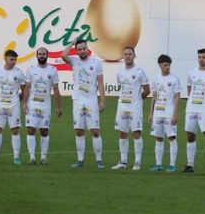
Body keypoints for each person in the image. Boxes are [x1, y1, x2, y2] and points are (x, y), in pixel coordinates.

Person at [61, 38, 106, 169]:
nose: (82, 51)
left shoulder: (96, 62)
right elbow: (63, 55)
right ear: (76, 51)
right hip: (78, 100)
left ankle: (99, 160)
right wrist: (72, 43)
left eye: (84, 48)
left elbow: (100, 83)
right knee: (79, 131)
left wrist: (102, 100)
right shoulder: (74, 61)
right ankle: (80, 160)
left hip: (91, 101)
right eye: (79, 49)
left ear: (87, 48)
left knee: (95, 131)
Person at [111, 47, 150, 171]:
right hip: (122, 106)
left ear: (134, 56)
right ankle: (123, 162)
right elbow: (121, 87)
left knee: (136, 133)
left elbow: (147, 90)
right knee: (122, 133)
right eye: (125, 54)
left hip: (135, 107)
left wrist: (138, 100)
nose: (127, 56)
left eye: (130, 54)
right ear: (123, 56)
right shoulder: (120, 71)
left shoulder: (140, 71)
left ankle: (137, 162)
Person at [22, 47, 62, 165]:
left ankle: (44, 157)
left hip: (45, 105)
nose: (41, 56)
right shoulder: (31, 69)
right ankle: (32, 157)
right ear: (36, 56)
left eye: (43, 54)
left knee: (44, 131)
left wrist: (58, 107)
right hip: (32, 103)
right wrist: (24, 103)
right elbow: (27, 88)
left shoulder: (53, 70)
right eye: (39, 54)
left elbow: (56, 89)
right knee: (30, 129)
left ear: (47, 55)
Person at [0, 49, 25, 165]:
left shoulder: (19, 73)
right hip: (0, 105)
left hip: (13, 105)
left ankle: (16, 157)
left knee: (15, 130)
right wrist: (0, 98)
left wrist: (17, 100)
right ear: (6, 58)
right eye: (12, 59)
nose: (14, 62)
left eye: (15, 60)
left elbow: (23, 89)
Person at [149, 54, 181, 173]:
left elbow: (177, 97)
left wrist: (175, 114)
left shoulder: (174, 79)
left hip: (169, 113)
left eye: (169, 65)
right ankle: (158, 164)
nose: (168, 67)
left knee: (172, 138)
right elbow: (154, 97)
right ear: (160, 65)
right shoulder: (156, 78)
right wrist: (151, 113)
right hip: (158, 113)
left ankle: (172, 165)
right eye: (165, 65)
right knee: (158, 138)